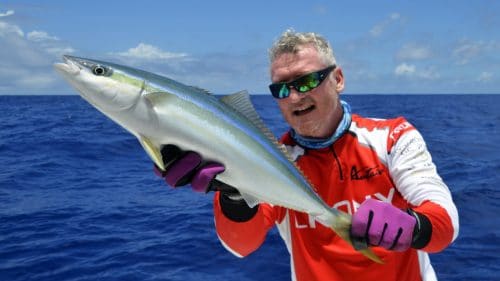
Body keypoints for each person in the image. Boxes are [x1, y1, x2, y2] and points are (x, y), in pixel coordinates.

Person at [154, 30, 459, 281]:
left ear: (337, 79)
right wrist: (235, 193)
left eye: (307, 81)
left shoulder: (393, 137)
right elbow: (240, 245)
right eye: (282, 89)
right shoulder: (275, 158)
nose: (295, 96)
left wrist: (413, 226)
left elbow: (445, 223)